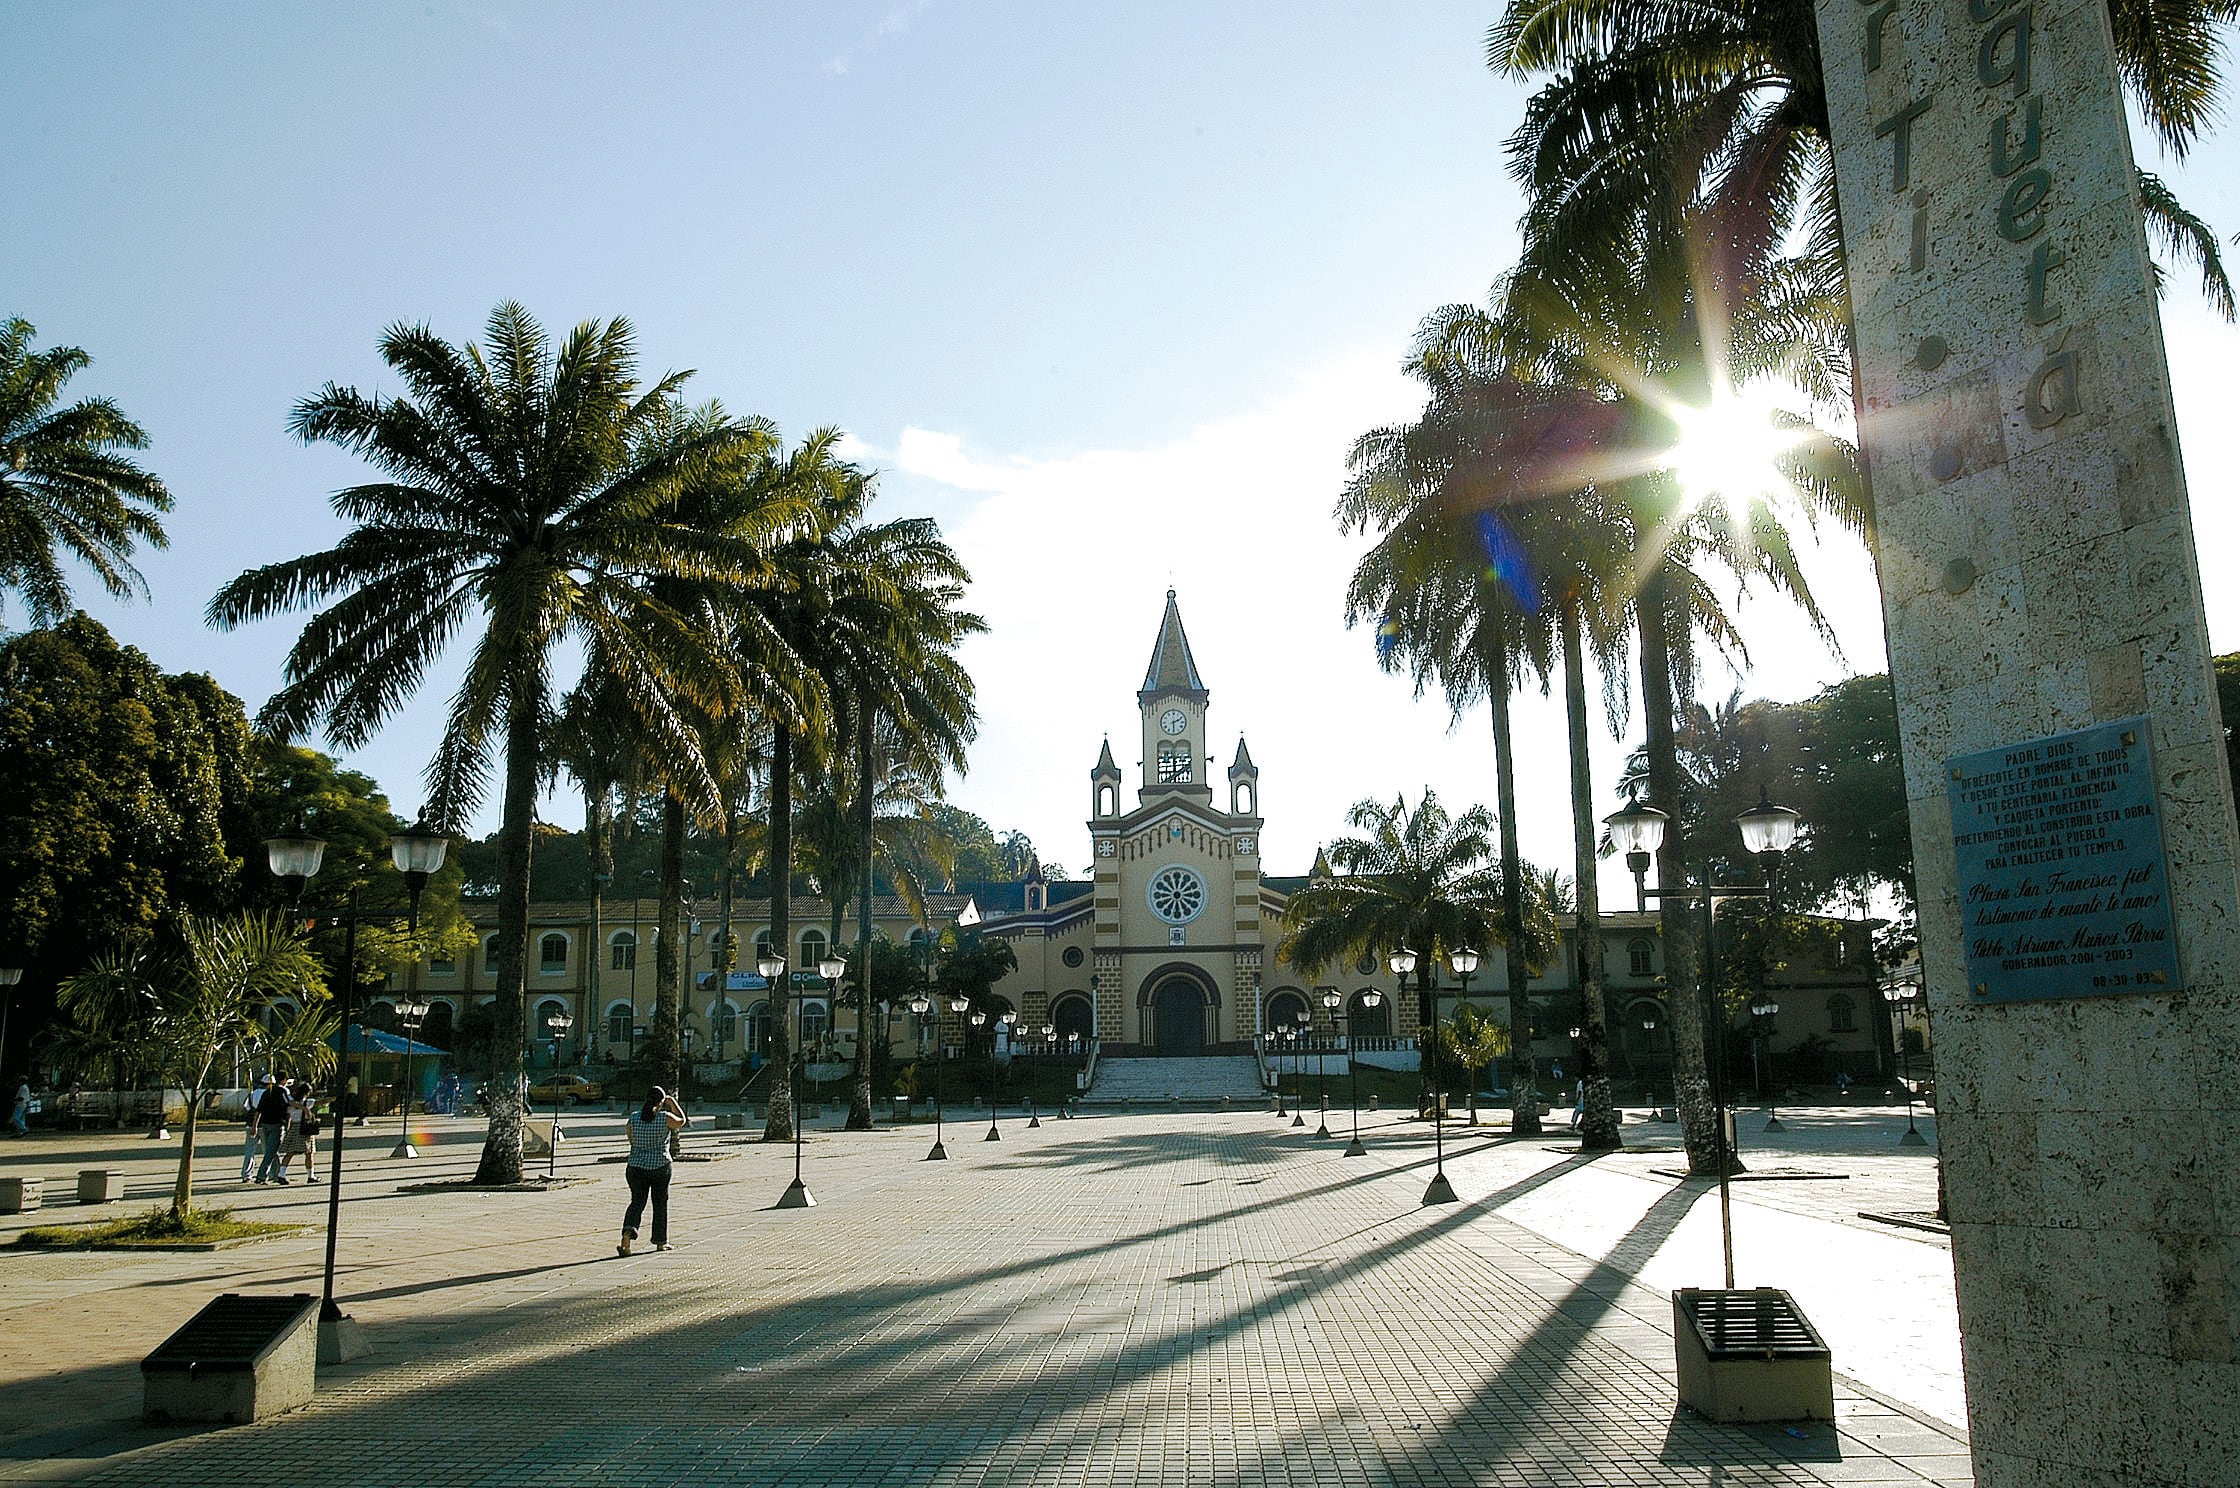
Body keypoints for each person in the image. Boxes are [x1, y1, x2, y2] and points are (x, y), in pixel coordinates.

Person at [617, 1086, 686, 1256]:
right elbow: (682, 1121)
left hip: (635, 1167)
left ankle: (626, 1238)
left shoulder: (633, 1117)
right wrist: (673, 1102)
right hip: (659, 1166)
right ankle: (660, 1242)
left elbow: (630, 1137)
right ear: (661, 1102)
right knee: (660, 1204)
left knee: (637, 1202)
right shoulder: (665, 1118)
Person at [250, 1072, 292, 1184]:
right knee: (270, 1152)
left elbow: (258, 1111)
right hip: (277, 1124)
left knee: (272, 1150)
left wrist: (254, 1126)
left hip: (265, 1124)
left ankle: (277, 1174)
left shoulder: (266, 1092)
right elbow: (289, 1107)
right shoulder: (283, 1092)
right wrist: (288, 1123)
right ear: (283, 1080)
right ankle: (261, 1175)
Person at [288, 1079, 322, 1183]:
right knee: (309, 1153)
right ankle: (311, 1176)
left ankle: (281, 1173)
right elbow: (321, 1102)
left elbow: (288, 1115)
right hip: (305, 1128)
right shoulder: (308, 1103)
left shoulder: (292, 1103)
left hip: (294, 1127)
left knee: (290, 1152)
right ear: (307, 1093)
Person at [238, 1080, 263, 1180]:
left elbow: (246, 1108)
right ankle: (269, 1173)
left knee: (249, 1151)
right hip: (264, 1125)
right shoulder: (267, 1094)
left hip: (250, 1125)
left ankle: (246, 1174)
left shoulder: (252, 1095)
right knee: (268, 1151)